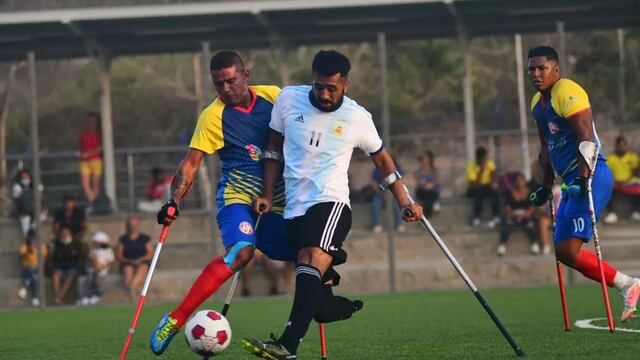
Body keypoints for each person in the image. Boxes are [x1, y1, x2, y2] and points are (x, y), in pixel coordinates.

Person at [150, 51, 362, 356]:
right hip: (238, 199)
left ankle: (324, 301)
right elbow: (191, 164)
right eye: (218, 84)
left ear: (246, 75)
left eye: (231, 81)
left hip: (278, 203)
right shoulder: (213, 116)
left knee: (312, 254)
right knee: (241, 252)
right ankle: (176, 318)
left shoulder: (275, 97)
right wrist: (173, 201)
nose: (225, 89)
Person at [242, 50, 423, 360]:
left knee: (310, 257)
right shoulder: (288, 99)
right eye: (318, 86)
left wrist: (404, 199)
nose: (324, 94)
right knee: (313, 288)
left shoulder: (357, 118)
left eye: (332, 88)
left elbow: (381, 159)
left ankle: (288, 345)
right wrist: (268, 194)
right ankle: (331, 303)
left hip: (331, 202)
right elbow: (273, 148)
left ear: (346, 84)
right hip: (294, 208)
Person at [527, 45, 640, 323]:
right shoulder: (537, 104)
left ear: (556, 69)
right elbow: (545, 148)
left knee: (570, 249)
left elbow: (586, 138)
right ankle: (628, 284)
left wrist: (582, 177)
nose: (536, 74)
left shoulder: (567, 91)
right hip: (570, 181)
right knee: (564, 251)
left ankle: (629, 285)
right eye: (532, 69)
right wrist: (544, 184)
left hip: (591, 174)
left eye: (542, 68)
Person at [497, 172, 538, 256]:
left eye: (521, 181)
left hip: (526, 215)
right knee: (507, 225)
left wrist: (524, 215)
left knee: (532, 224)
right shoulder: (511, 193)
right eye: (517, 181)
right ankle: (502, 246)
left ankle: (534, 244)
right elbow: (508, 208)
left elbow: (531, 208)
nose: (519, 183)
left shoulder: (529, 193)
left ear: (524, 181)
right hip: (514, 215)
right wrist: (515, 215)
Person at [603, 135, 640, 223]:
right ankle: (611, 213)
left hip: (629, 182)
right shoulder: (611, 158)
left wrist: (627, 180)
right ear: (616, 146)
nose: (622, 147)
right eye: (620, 145)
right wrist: (616, 181)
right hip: (616, 182)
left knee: (638, 187)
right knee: (606, 187)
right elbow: (608, 173)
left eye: (624, 145)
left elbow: (636, 172)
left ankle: (636, 211)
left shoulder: (632, 156)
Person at [117, 215, 152, 297]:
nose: (133, 227)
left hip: (142, 262)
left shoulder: (145, 238)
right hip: (128, 262)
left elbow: (150, 254)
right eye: (131, 224)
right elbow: (119, 255)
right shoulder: (123, 239)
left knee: (142, 268)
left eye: (134, 224)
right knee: (128, 270)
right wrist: (129, 261)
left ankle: (132, 289)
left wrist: (140, 260)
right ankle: (134, 291)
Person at [466, 146, 500, 227]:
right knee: (478, 194)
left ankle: (496, 216)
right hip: (474, 187)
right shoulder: (472, 166)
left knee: (495, 193)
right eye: (485, 157)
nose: (486, 159)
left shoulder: (489, 163)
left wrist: (493, 175)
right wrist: (481, 171)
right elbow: (474, 184)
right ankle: (476, 217)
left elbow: (495, 178)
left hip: (486, 186)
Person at [51, 226, 84, 305]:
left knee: (70, 276)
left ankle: (59, 297)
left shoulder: (76, 243)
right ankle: (58, 297)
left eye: (66, 233)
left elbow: (79, 256)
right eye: (63, 233)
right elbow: (55, 257)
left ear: (70, 234)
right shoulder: (57, 244)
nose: (64, 234)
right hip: (61, 267)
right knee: (56, 275)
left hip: (72, 267)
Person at [81, 231, 114, 306]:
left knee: (96, 279)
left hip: (103, 270)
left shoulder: (108, 251)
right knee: (89, 279)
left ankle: (97, 295)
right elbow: (91, 261)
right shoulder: (93, 251)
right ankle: (88, 296)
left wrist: (102, 266)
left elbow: (110, 262)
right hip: (94, 270)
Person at [78, 112, 103, 208]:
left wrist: (89, 153)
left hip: (96, 160)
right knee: (85, 184)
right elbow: (81, 147)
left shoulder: (99, 134)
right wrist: (81, 154)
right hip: (85, 162)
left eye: (93, 121)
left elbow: (100, 148)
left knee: (95, 183)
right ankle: (94, 202)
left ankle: (94, 204)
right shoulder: (84, 134)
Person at [17, 229, 46, 306]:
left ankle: (24, 288)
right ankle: (35, 298)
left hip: (39, 269)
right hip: (27, 269)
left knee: (34, 273)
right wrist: (29, 248)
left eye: (35, 237)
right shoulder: (26, 246)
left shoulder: (42, 246)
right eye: (32, 237)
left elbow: (43, 259)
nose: (34, 239)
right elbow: (21, 253)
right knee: (34, 277)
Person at [370, 167, 404, 233]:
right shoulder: (377, 169)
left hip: (393, 195)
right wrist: (380, 191)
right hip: (380, 194)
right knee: (375, 204)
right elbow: (373, 182)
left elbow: (401, 181)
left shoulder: (396, 168)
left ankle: (399, 224)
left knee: (397, 205)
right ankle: (377, 225)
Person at [415, 150, 441, 217]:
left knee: (428, 198)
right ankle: (429, 213)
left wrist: (431, 185)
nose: (424, 161)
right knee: (426, 196)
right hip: (422, 191)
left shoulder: (434, 170)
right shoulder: (419, 172)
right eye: (422, 159)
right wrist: (425, 186)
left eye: (425, 158)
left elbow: (436, 181)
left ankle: (426, 217)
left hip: (432, 192)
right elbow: (419, 183)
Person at [12, 169, 36, 238]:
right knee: (25, 224)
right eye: (23, 177)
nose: (25, 179)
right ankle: (29, 239)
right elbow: (16, 201)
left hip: (36, 211)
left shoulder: (34, 184)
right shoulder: (17, 186)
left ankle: (33, 232)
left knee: (36, 222)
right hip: (24, 212)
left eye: (27, 177)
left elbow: (41, 197)